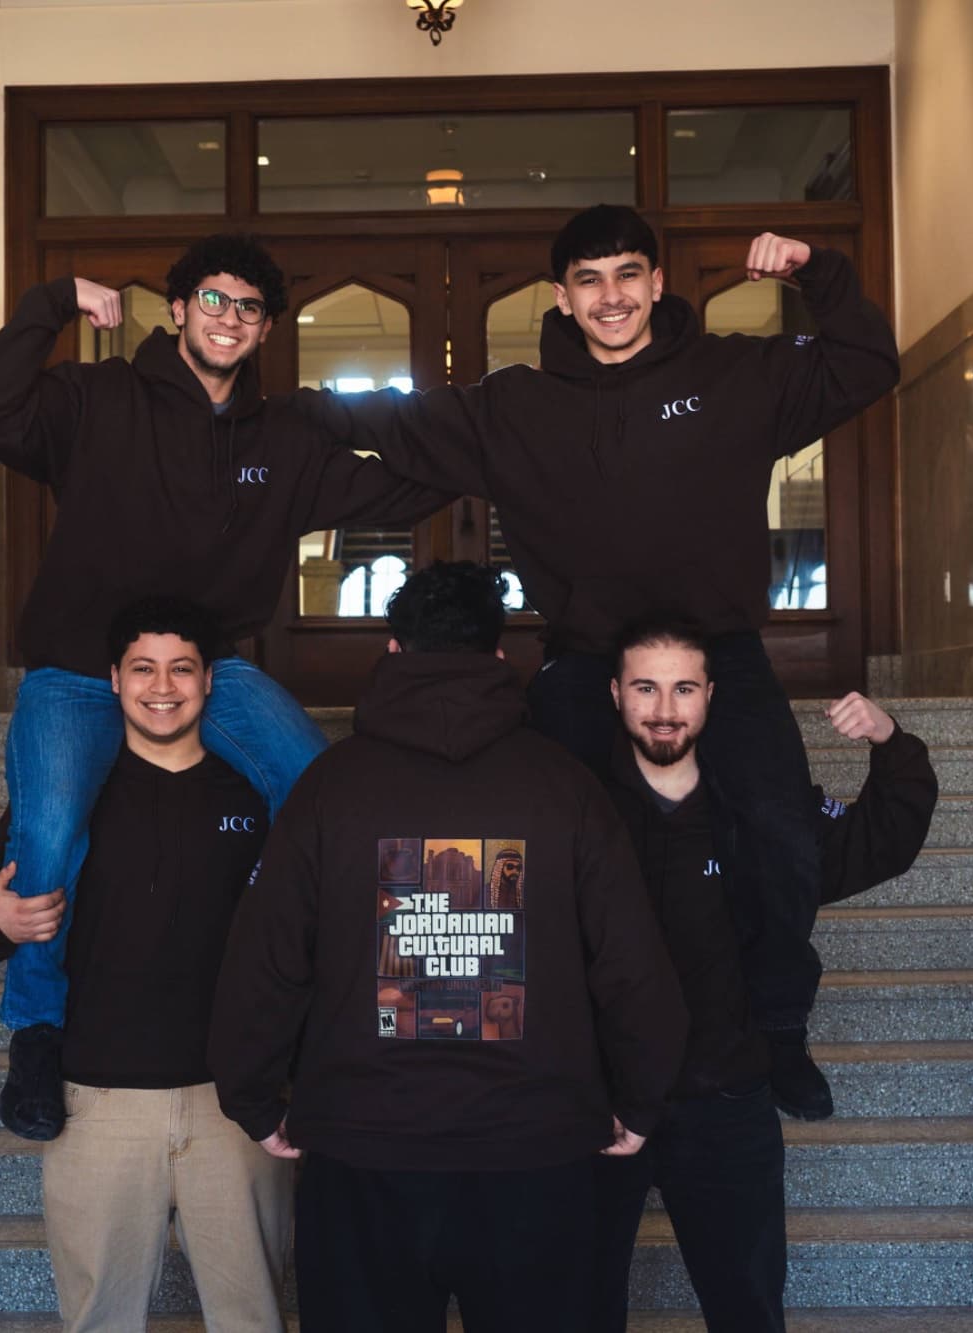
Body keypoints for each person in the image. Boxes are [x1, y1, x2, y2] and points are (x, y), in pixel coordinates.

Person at [298, 205, 902, 1119]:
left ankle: (777, 1027)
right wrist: (264, 409)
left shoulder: (733, 376)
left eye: (627, 274)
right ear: (563, 296)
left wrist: (818, 271)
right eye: (590, 279)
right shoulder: (515, 405)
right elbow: (389, 417)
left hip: (721, 659)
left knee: (779, 833)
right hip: (585, 663)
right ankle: (557, 1033)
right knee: (535, 849)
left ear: (657, 282)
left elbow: (865, 364)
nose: (611, 296)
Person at [0, 233, 450, 1138]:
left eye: (249, 308)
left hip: (209, 674)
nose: (229, 318)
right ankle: (36, 1031)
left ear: (264, 331)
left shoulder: (284, 440)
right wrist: (53, 300)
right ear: (177, 310)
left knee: (321, 789)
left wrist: (347, 417)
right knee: (53, 829)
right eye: (212, 300)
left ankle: (327, 1002)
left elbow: (411, 490)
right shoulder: (96, 399)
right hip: (75, 671)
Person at [207, 562, 688, 1333]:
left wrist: (254, 1097)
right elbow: (632, 964)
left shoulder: (330, 788)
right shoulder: (567, 788)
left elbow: (266, 958)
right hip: (538, 1154)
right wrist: (640, 1097)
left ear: (393, 650)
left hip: (366, 1156)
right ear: (502, 660)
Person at [0, 597, 291, 1332]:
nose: (161, 687)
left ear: (208, 682)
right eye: (143, 668)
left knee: (253, 1319)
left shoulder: (251, 795)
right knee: (100, 1321)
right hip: (95, 1104)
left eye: (181, 669)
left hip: (235, 1105)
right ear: (112, 678)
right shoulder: (68, 793)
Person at [589, 618, 938, 1332]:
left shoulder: (762, 817)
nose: (664, 708)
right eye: (646, 688)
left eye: (684, 688)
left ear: (712, 695)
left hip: (725, 1100)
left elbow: (883, 839)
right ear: (616, 693)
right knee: (576, 1313)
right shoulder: (576, 812)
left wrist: (888, 738)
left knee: (748, 1311)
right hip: (600, 1105)